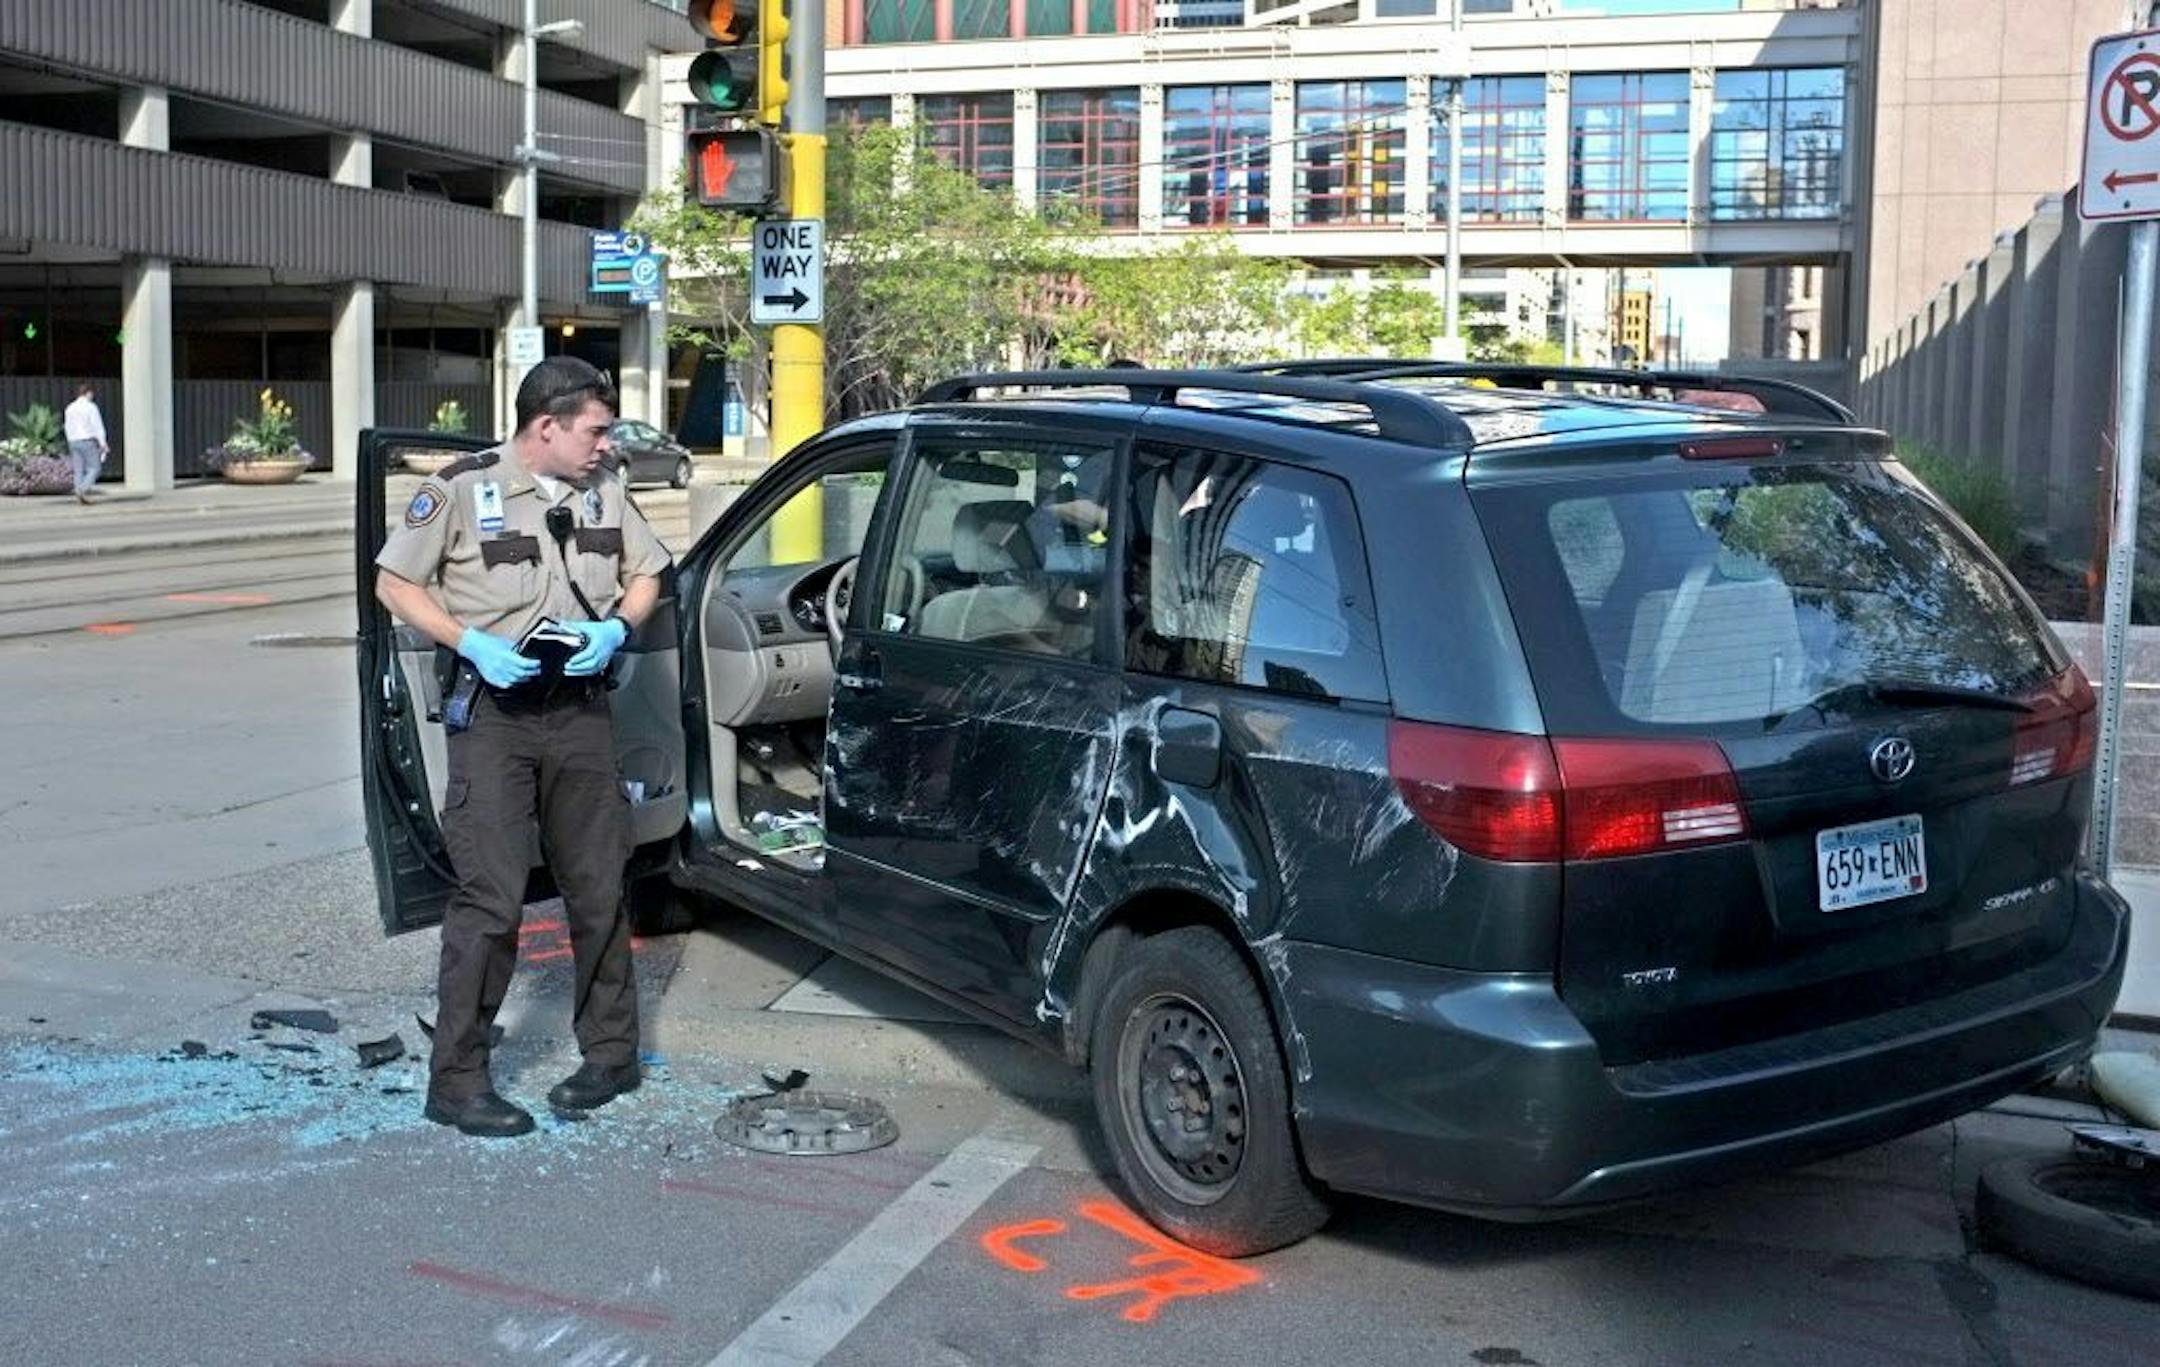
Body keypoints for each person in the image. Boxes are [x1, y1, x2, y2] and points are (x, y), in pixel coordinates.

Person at [373, 356, 671, 1138]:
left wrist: (616, 627)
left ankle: (611, 1055)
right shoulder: (462, 489)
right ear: (548, 426)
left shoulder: (605, 487)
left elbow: (650, 573)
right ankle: (458, 1080)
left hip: (578, 713)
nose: (606, 443)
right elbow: (394, 583)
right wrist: (469, 639)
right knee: (490, 904)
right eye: (596, 429)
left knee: (599, 889)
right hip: (497, 718)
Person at [63, 382, 108, 504]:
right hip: (87, 440)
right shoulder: (91, 407)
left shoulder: (70, 408)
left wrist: (69, 439)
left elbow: (67, 426)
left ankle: (79, 492)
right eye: (91, 394)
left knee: (78, 469)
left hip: (73, 441)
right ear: (88, 393)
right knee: (95, 468)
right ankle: (82, 490)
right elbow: (97, 425)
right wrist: (103, 443)